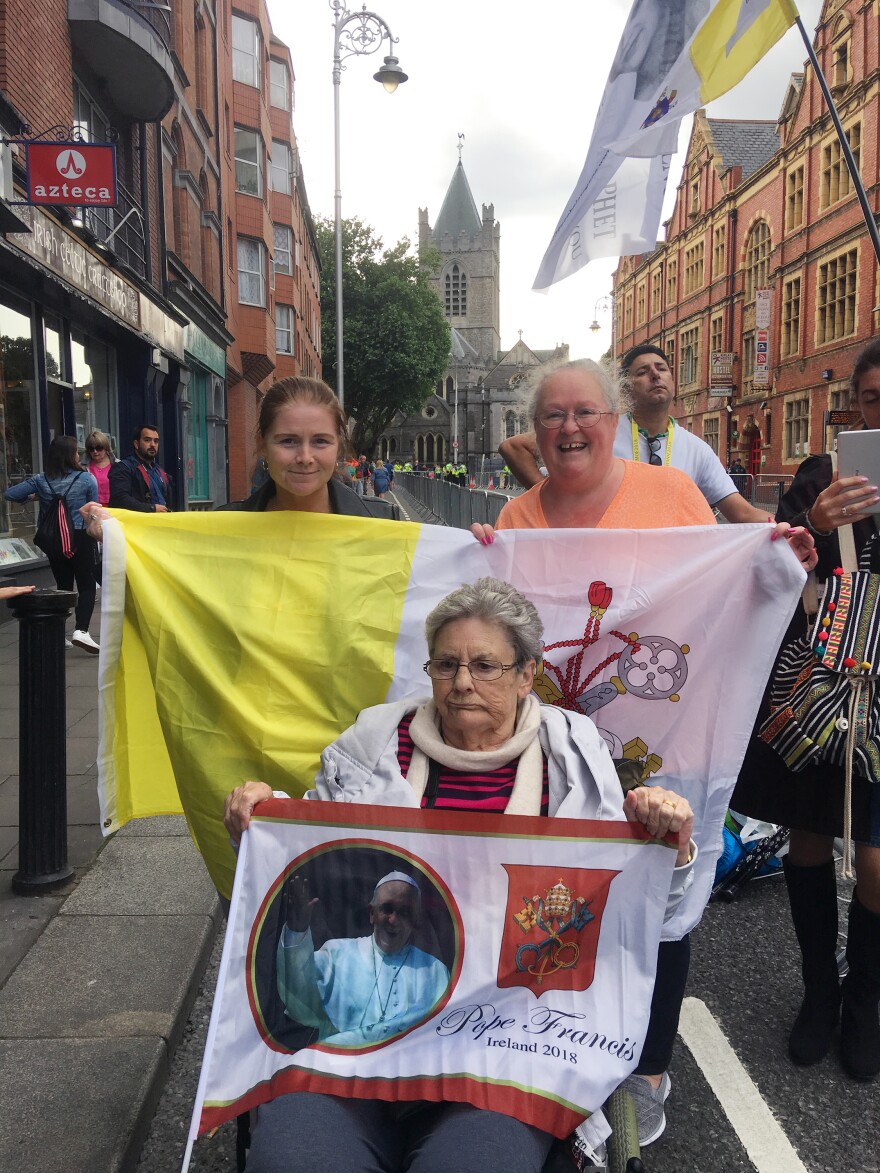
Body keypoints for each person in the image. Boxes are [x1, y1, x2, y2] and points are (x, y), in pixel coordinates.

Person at [225, 576, 698, 1173]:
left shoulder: (575, 761)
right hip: (352, 1054)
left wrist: (669, 849)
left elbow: (635, 911)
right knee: (293, 1162)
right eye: (446, 664)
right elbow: (317, 858)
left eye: (486, 665)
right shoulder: (372, 745)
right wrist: (264, 817)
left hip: (503, 1053)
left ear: (527, 674)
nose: (463, 682)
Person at [470, 360, 816, 1146]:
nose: (569, 428)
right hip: (560, 750)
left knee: (660, 898)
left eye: (585, 411)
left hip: (668, 738)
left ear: (614, 416)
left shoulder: (671, 493)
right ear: (536, 428)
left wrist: (776, 554)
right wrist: (479, 554)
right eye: (552, 415)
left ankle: (649, 1067)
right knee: (570, 896)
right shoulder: (518, 519)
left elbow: (725, 584)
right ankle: (568, 1043)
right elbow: (494, 627)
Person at [733, 338, 880, 1082]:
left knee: (879, 860)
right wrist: (819, 521)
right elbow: (779, 567)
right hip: (828, 687)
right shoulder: (823, 474)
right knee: (812, 840)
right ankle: (819, 993)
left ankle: (866, 1001)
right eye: (875, 396)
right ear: (856, 405)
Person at [499, 345, 769, 524]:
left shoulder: (693, 457)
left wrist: (786, 530)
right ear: (624, 390)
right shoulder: (597, 431)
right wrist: (542, 503)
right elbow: (514, 446)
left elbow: (740, 512)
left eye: (662, 369)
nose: (655, 375)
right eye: (643, 371)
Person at [277, 871, 449, 1047]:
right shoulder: (337, 954)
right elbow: (300, 1004)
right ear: (371, 913)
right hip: (339, 1069)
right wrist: (296, 931)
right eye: (387, 909)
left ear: (416, 919)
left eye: (405, 912)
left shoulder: (435, 971)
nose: (393, 920)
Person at [4, 435, 100, 653]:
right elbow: (95, 508)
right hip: (80, 537)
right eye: (77, 451)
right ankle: (82, 631)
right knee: (86, 585)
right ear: (70, 455)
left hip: (54, 539)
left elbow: (10, 494)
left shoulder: (41, 480)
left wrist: (30, 497)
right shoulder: (86, 479)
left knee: (63, 585)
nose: (79, 455)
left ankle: (58, 634)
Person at [108, 424, 172, 513]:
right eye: (147, 440)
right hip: (136, 524)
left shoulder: (159, 471)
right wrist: (152, 508)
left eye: (156, 441)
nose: (153, 444)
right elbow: (119, 499)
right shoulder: (122, 468)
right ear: (136, 444)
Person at [84, 430, 115, 506]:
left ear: (106, 448)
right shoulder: (82, 467)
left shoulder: (118, 465)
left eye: (99, 448)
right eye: (91, 449)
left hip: (115, 507)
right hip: (92, 508)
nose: (95, 451)